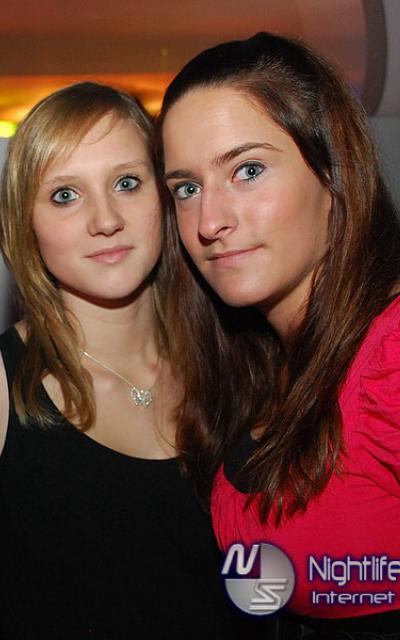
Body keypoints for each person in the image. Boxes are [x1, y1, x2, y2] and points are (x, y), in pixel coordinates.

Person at [0, 82, 260, 639]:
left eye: (126, 183)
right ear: (26, 223)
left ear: (165, 198)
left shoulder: (241, 366)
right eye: (65, 195)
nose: (105, 219)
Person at [158, 32, 400, 637]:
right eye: (187, 188)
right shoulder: (258, 362)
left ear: (334, 174)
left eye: (248, 170)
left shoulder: (391, 358)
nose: (209, 221)